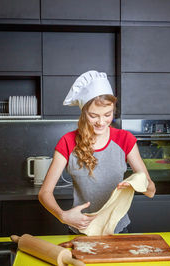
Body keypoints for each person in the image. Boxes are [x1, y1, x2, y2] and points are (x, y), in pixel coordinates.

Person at [38, 70, 156, 234]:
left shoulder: (125, 139)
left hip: (119, 230)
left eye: (108, 115)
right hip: (81, 230)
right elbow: (45, 193)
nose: (101, 122)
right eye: (93, 116)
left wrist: (137, 183)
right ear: (83, 113)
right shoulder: (68, 142)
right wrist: (62, 215)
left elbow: (151, 190)